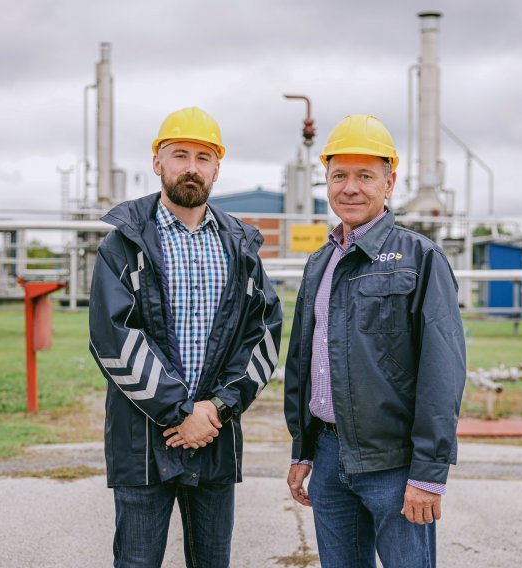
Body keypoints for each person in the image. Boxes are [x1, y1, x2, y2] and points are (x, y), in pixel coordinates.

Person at [89, 106, 282, 568]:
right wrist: (181, 412)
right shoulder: (124, 243)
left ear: (217, 168)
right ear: (158, 162)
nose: (191, 167)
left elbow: (264, 335)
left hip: (215, 434)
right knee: (137, 561)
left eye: (203, 156)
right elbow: (112, 338)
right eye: (180, 155)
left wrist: (215, 408)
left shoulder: (240, 247)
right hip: (142, 439)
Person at [284, 114, 466, 568]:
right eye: (339, 175)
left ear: (389, 182)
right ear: (326, 180)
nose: (350, 187)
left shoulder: (420, 259)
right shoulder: (319, 262)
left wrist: (428, 474)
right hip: (328, 457)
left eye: (365, 175)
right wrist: (303, 450)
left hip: (395, 466)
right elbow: (302, 362)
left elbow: (442, 372)